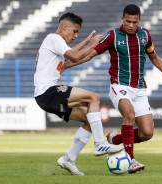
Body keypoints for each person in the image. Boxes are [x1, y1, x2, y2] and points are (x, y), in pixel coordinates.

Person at [63, 4, 162, 173]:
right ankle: (130, 160)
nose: (130, 25)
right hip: (119, 85)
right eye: (127, 21)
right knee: (129, 115)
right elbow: (90, 55)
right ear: (122, 19)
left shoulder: (145, 35)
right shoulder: (113, 35)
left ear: (139, 20)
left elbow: (154, 57)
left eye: (134, 22)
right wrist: (65, 66)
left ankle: (115, 139)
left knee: (147, 133)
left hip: (140, 88)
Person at [34, 12, 123, 176]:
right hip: (48, 92)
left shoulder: (55, 45)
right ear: (63, 27)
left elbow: (70, 61)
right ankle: (99, 144)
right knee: (93, 97)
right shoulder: (54, 39)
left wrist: (89, 46)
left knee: (89, 119)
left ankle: (69, 158)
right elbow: (74, 57)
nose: (75, 35)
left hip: (45, 96)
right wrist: (91, 46)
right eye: (74, 31)